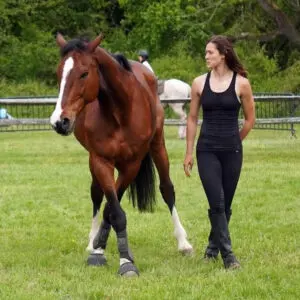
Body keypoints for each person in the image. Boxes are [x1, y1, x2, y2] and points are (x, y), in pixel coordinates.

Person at [183, 35, 255, 269]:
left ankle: (212, 248)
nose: (206, 56)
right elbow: (192, 119)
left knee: (225, 204)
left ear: (223, 54)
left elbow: (250, 119)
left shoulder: (241, 83)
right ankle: (229, 256)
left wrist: (235, 140)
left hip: (232, 151)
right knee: (217, 201)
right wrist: (189, 152)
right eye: (205, 53)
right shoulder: (198, 83)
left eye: (210, 52)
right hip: (207, 151)